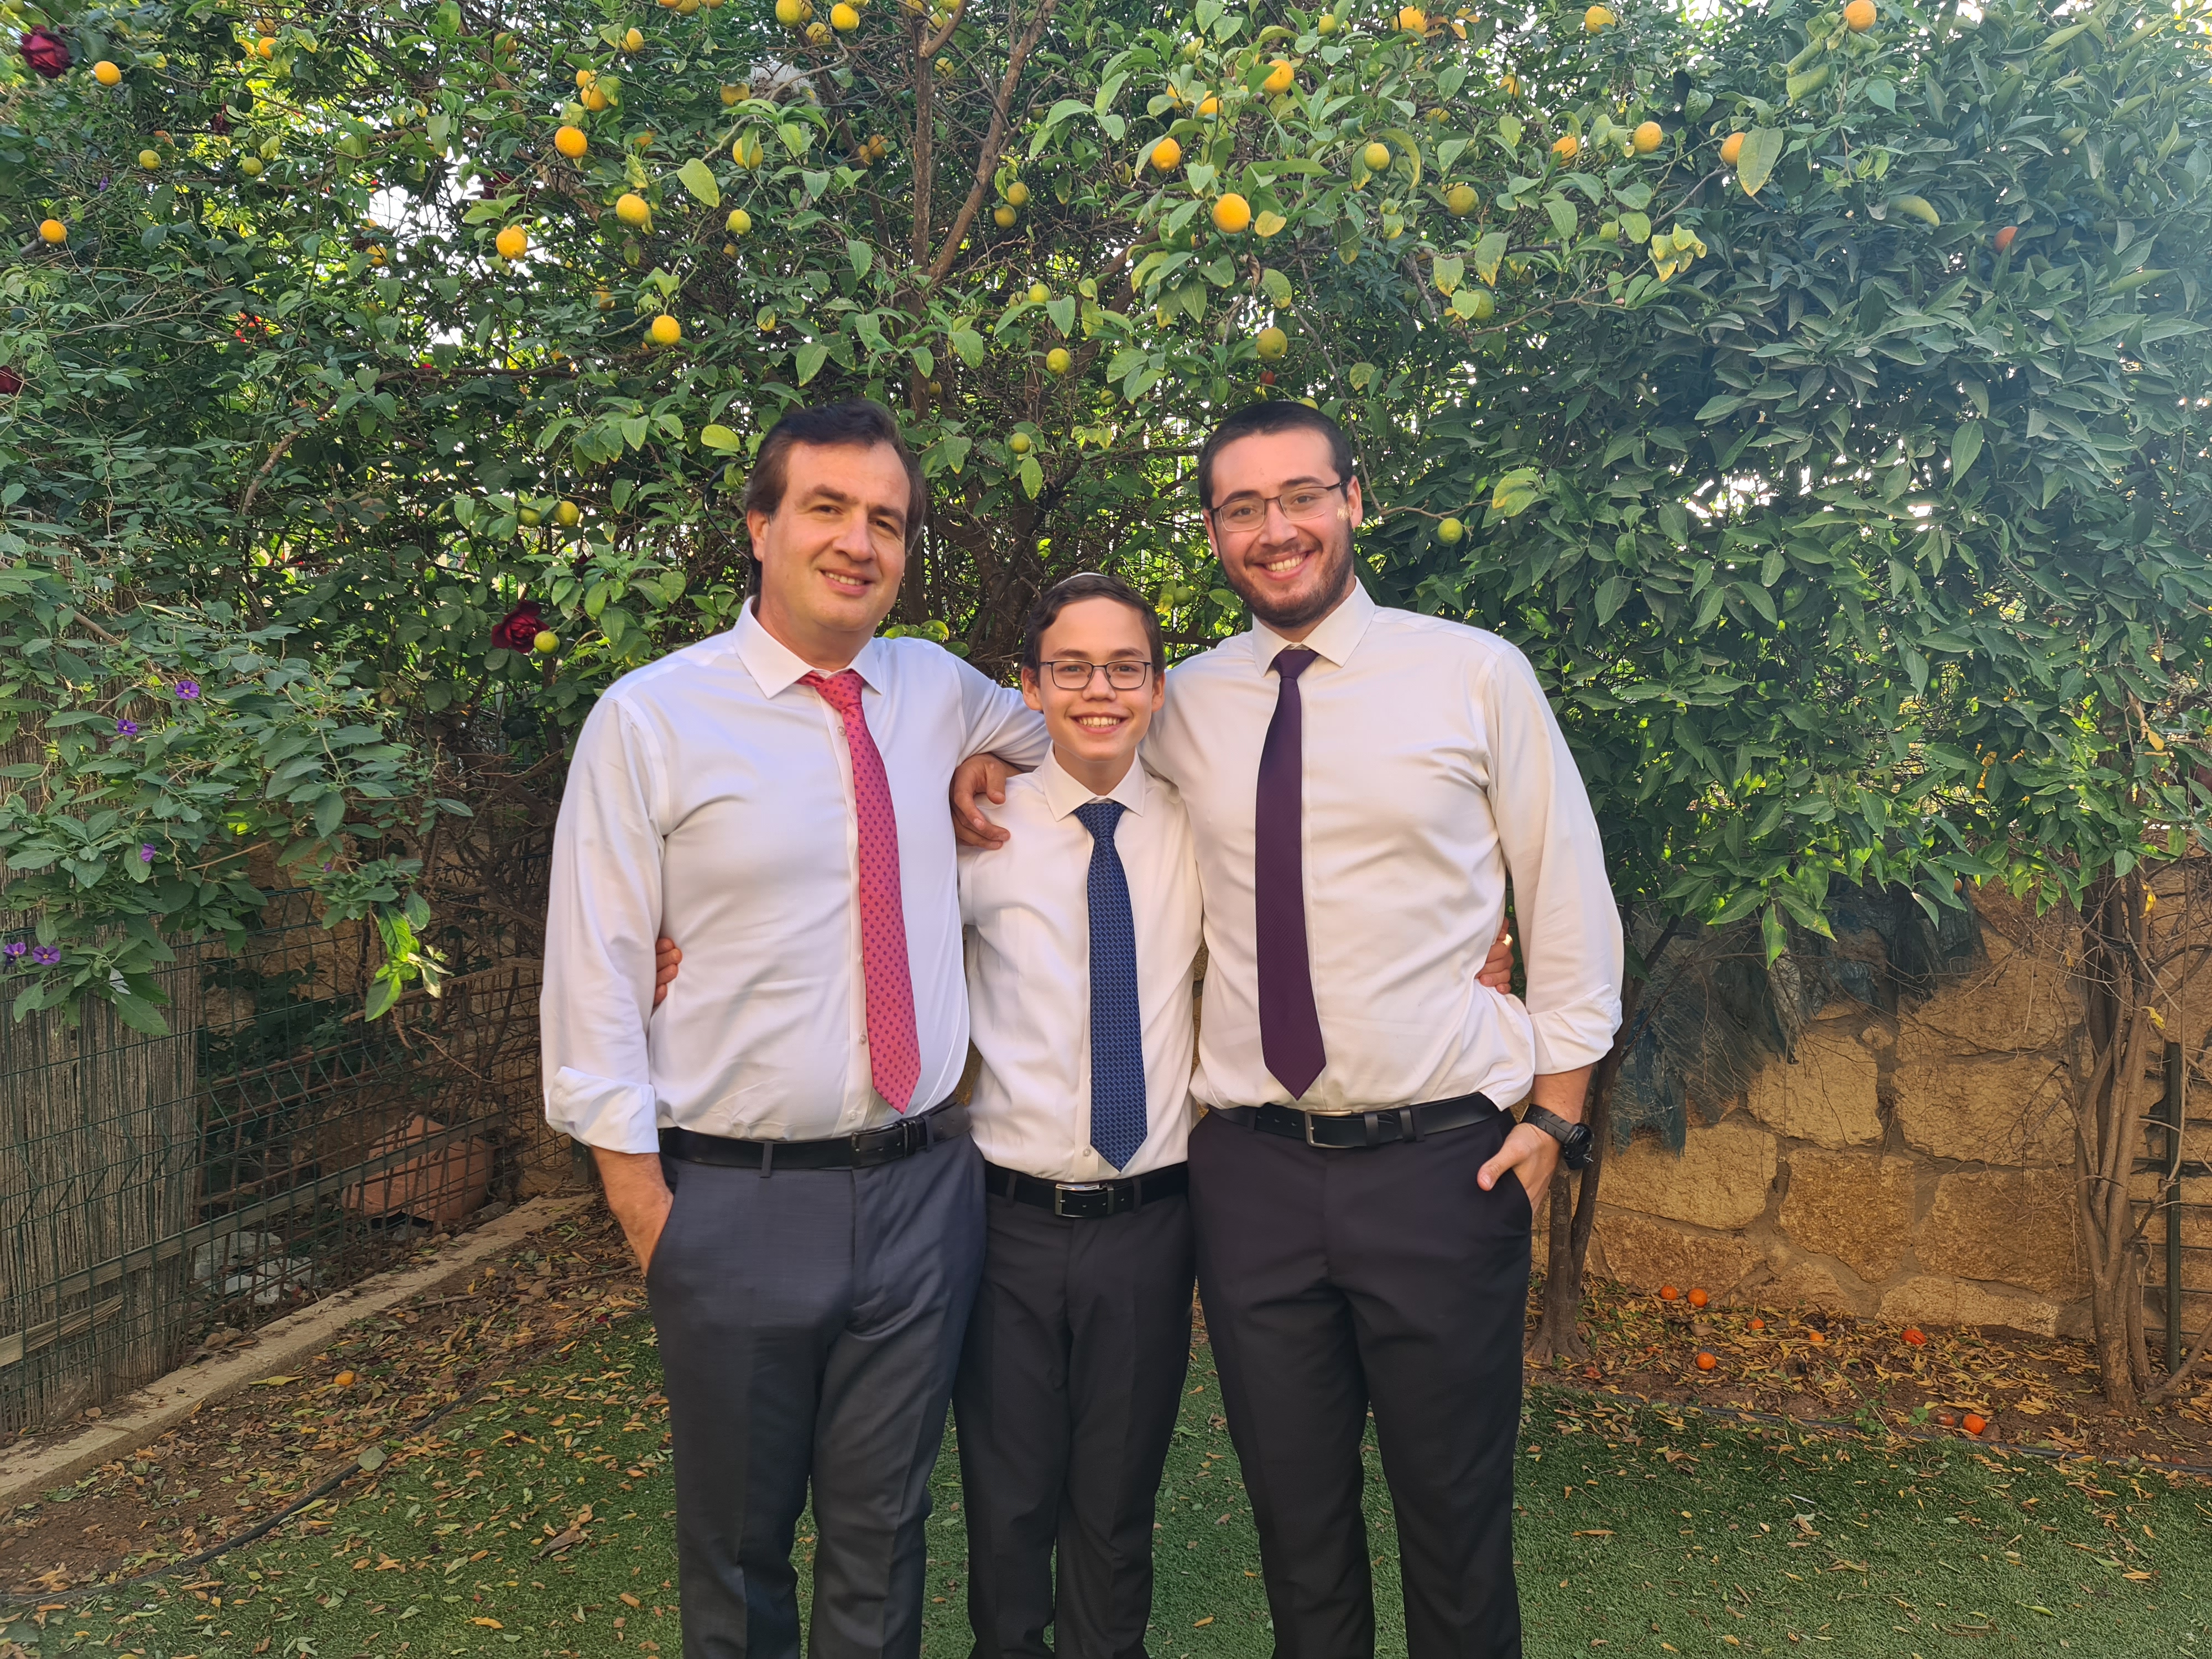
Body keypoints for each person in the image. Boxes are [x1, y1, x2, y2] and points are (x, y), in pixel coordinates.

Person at [954, 401, 1622, 1659]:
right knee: (1298, 1536)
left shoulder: (1474, 675)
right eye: (1242, 508)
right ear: (1214, 531)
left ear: (1353, 500)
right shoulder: (1188, 700)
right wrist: (978, 760)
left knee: (1456, 1529)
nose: (1276, 530)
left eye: (1301, 496)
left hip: (1442, 1166)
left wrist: (1558, 1115)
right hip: (1251, 1177)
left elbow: (1565, 894)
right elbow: (1070, 720)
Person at [541, 398, 1049, 1659]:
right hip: (735, 1201)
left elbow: (1059, 728)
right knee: (737, 1551)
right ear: (760, 528)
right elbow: (595, 976)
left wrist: (989, 763)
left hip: (923, 1193)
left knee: (884, 1540)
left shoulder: (935, 689)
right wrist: (649, 1213)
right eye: (827, 508)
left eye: (887, 520)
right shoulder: (652, 719)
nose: (859, 542)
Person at [952, 571, 1202, 1659]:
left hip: (1150, 1220)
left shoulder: (1199, 826)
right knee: (1007, 1498)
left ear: (1157, 686)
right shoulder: (975, 828)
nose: (1099, 691)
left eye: (1124, 668)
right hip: (1003, 1221)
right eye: (1071, 668)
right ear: (1029, 685)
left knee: (1114, 1502)